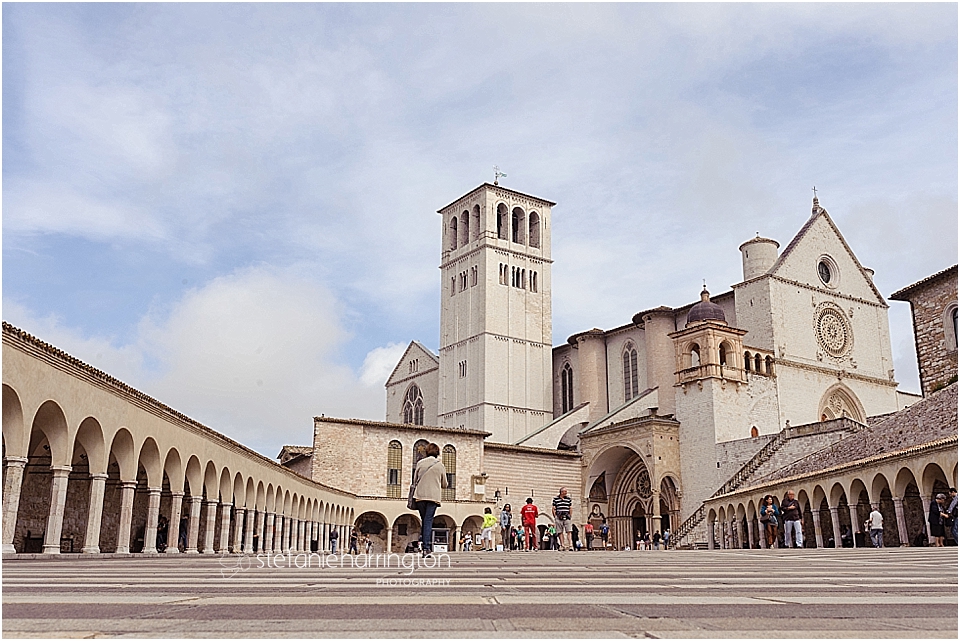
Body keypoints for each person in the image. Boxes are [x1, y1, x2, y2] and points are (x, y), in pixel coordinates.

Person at [412, 442, 448, 558]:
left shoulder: (420, 463)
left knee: (424, 520)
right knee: (428, 520)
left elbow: (415, 479)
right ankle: (426, 548)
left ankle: (422, 543)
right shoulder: (440, 465)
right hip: (433, 497)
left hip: (420, 496)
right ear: (437, 452)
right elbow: (444, 484)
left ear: (426, 452)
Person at [552, 487, 574, 551]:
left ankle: (570, 545)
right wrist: (555, 516)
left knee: (569, 531)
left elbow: (570, 508)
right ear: (561, 492)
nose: (566, 493)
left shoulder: (568, 499)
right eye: (565, 491)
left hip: (567, 517)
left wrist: (570, 515)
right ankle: (562, 545)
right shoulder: (556, 499)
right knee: (560, 532)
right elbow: (553, 508)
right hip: (559, 517)